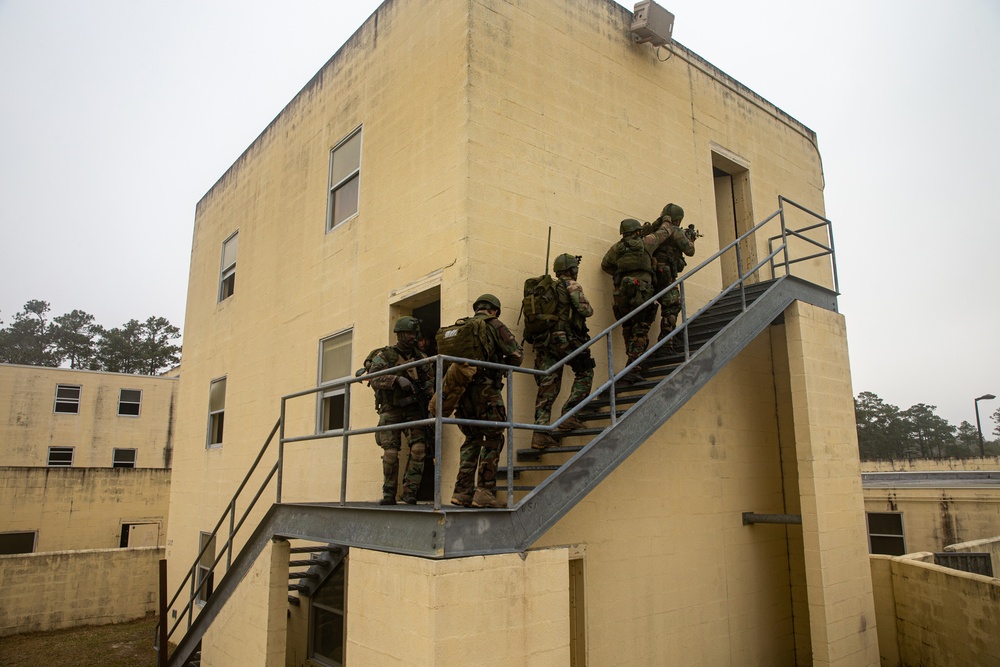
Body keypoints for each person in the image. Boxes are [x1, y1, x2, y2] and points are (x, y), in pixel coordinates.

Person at [450, 294, 523, 508]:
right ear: (495, 310)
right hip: (486, 390)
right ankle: (484, 491)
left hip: (462, 392)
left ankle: (462, 492)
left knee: (472, 439)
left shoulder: (461, 326)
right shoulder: (494, 325)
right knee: (493, 437)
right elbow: (517, 356)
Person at [601, 215, 692, 384]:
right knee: (641, 330)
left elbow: (605, 265)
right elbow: (664, 233)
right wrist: (666, 220)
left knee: (629, 329)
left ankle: (631, 366)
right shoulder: (645, 243)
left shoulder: (616, 249)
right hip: (641, 292)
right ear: (637, 231)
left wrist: (620, 274)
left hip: (622, 294)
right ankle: (633, 368)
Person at [530, 253, 596, 450]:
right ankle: (569, 415)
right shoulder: (571, 285)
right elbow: (586, 310)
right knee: (585, 372)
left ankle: (540, 434)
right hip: (564, 338)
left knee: (548, 385)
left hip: (544, 341)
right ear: (571, 270)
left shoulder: (546, 289)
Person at [366, 316, 433, 505]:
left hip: (414, 408)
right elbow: (373, 378)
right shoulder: (386, 355)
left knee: (419, 449)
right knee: (391, 453)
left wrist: (430, 409)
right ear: (399, 334)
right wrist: (395, 380)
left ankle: (410, 492)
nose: (413, 337)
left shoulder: (421, 358)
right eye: (409, 333)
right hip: (391, 408)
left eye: (414, 333)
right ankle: (389, 494)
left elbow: (429, 385)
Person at [644, 203, 697, 346]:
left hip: (651, 273)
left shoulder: (655, 230)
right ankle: (666, 341)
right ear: (678, 219)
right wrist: (690, 239)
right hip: (665, 274)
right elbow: (690, 251)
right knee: (673, 305)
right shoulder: (675, 231)